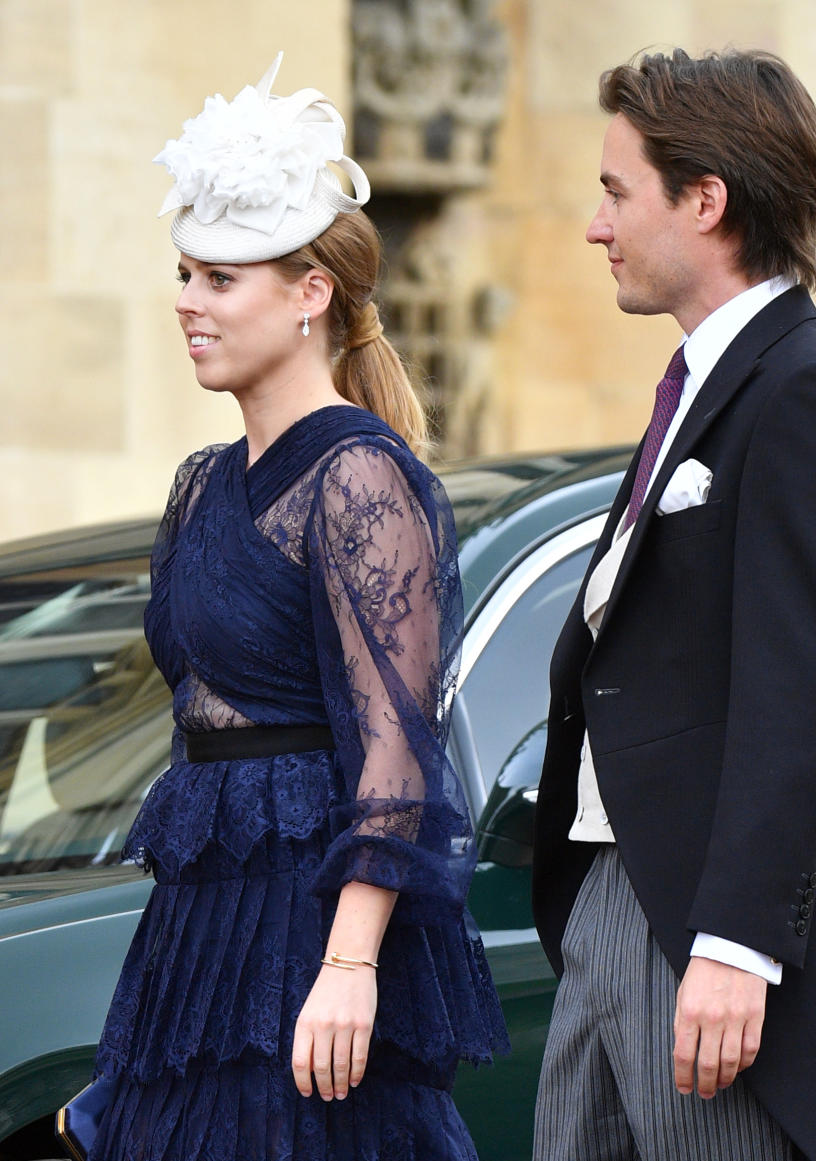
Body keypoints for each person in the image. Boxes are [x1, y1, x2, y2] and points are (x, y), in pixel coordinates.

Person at [87, 53, 507, 1161]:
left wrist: (351, 963)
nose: (187, 301)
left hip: (318, 920)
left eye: (221, 279)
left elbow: (397, 752)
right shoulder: (200, 483)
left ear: (310, 294)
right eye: (185, 272)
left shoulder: (362, 477)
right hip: (203, 924)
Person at [531, 48, 816, 1161]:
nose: (596, 226)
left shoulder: (811, 393)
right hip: (610, 897)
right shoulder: (698, 387)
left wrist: (737, 947)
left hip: (705, 932)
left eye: (617, 192)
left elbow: (806, 700)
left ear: (707, 200)